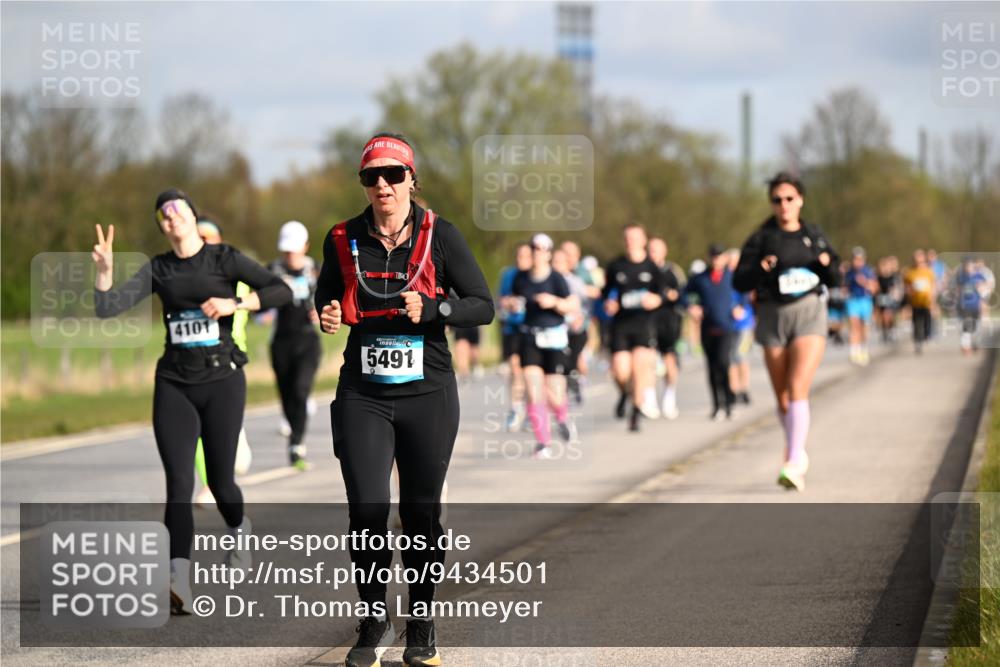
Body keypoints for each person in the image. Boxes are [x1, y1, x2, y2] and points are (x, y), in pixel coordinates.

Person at [315, 133, 493, 667]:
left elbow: (482, 305)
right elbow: (326, 293)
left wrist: (436, 309)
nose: (383, 185)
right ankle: (374, 621)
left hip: (427, 393)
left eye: (394, 174)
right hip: (363, 393)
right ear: (364, 184)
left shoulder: (442, 235)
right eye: (372, 176)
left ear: (412, 179)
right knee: (367, 510)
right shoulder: (342, 237)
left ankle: (421, 620)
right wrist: (326, 312)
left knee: (420, 514)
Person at [92, 189, 292, 613]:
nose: (171, 218)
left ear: (192, 216)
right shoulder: (160, 268)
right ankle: (177, 577)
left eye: (177, 210)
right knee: (180, 483)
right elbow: (107, 307)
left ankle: (239, 528)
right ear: (162, 227)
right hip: (174, 383)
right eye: (163, 215)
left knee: (221, 483)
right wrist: (105, 272)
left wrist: (235, 302)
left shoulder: (224, 258)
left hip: (223, 382)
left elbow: (281, 291)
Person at [733, 172, 840, 491]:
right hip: (772, 315)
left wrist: (825, 264)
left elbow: (836, 277)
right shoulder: (761, 238)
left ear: (800, 200)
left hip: (809, 312)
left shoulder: (813, 235)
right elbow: (739, 281)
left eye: (789, 198)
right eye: (777, 200)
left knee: (797, 387)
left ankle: (793, 462)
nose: (784, 205)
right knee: (782, 399)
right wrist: (759, 269)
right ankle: (796, 447)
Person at [192, 219, 253, 507]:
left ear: (220, 240)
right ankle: (207, 484)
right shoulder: (184, 275)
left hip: (229, 361)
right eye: (198, 236)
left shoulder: (236, 274)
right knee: (196, 429)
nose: (203, 241)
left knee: (221, 429)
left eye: (208, 236)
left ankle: (235, 439)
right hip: (193, 363)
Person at [512, 234, 580, 457]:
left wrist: (554, 302)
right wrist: (511, 304)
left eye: (542, 249)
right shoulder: (521, 277)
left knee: (555, 393)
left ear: (549, 254)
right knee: (533, 390)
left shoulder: (557, 278)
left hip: (554, 338)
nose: (537, 253)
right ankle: (543, 443)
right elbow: (510, 299)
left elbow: (572, 304)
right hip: (529, 337)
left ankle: (562, 417)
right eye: (534, 249)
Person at [266, 220, 322, 470]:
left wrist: (321, 311)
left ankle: (296, 443)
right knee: (288, 395)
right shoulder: (272, 271)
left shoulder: (316, 270)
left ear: (305, 246)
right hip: (281, 342)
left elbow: (332, 299)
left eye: (294, 249)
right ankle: (294, 435)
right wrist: (263, 313)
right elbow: (258, 304)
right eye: (286, 250)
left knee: (300, 390)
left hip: (307, 340)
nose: (290, 255)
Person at [602, 223, 666, 431]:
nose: (631, 242)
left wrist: (656, 300)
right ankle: (624, 393)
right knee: (620, 371)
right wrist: (609, 303)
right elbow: (606, 293)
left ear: (643, 240)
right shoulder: (616, 266)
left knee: (639, 370)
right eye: (628, 238)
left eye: (635, 238)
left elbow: (664, 294)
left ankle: (635, 414)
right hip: (621, 325)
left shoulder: (652, 267)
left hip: (644, 325)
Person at [684, 244, 739, 420]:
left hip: (726, 327)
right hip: (707, 328)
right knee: (712, 367)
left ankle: (729, 401)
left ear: (725, 258)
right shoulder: (700, 278)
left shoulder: (732, 276)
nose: (716, 260)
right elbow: (683, 294)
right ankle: (717, 405)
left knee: (723, 363)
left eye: (719, 256)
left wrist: (741, 307)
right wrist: (691, 306)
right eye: (713, 256)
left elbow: (744, 293)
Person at [497, 243, 532, 431]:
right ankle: (516, 408)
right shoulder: (509, 275)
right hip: (512, 328)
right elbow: (501, 299)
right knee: (515, 369)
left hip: (533, 329)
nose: (521, 260)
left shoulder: (536, 276)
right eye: (519, 256)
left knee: (530, 373)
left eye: (525, 256)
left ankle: (531, 410)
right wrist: (508, 302)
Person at [648, 237, 684, 419]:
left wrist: (673, 295)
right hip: (648, 322)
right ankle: (650, 399)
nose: (652, 253)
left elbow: (683, 294)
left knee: (670, 361)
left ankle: (670, 396)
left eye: (656, 250)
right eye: (650, 249)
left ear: (664, 251)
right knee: (649, 361)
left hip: (668, 322)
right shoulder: (644, 271)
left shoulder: (672, 271)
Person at [560, 240, 600, 403]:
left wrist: (580, 289)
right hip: (561, 325)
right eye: (565, 253)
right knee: (564, 360)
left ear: (577, 255)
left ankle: (577, 381)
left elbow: (596, 291)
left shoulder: (582, 273)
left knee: (577, 359)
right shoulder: (556, 271)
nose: (568, 257)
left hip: (580, 323)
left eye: (571, 254)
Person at [727, 249, 755, 405]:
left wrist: (741, 308)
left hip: (744, 324)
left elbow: (748, 296)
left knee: (741, 355)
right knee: (730, 357)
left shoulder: (745, 276)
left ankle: (744, 389)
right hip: (728, 323)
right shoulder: (725, 277)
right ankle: (734, 389)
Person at [844, 247, 878, 366]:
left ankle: (863, 350)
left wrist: (864, 282)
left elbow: (874, 288)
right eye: (855, 259)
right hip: (853, 300)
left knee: (863, 327)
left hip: (865, 300)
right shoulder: (849, 272)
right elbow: (845, 286)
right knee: (854, 326)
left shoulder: (868, 271)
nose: (857, 262)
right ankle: (854, 351)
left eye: (859, 259)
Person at [904, 249, 936, 355]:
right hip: (915, 302)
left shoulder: (928, 272)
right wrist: (909, 294)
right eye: (916, 259)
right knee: (916, 322)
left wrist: (933, 299)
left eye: (920, 259)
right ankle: (918, 342)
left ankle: (927, 336)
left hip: (926, 301)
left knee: (927, 320)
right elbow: (906, 287)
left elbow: (933, 286)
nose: (918, 262)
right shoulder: (910, 272)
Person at [955, 255, 989, 354]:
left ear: (973, 265)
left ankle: (975, 343)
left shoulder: (979, 276)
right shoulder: (961, 276)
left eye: (969, 265)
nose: (967, 267)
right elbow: (958, 290)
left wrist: (983, 301)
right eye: (965, 265)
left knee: (976, 326)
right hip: (965, 305)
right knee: (966, 325)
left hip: (976, 305)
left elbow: (985, 289)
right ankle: (965, 346)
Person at [875, 255, 903, 343]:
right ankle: (885, 332)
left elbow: (897, 288)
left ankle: (891, 330)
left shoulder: (893, 277)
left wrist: (895, 293)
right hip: (882, 299)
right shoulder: (878, 277)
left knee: (889, 315)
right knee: (883, 316)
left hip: (891, 299)